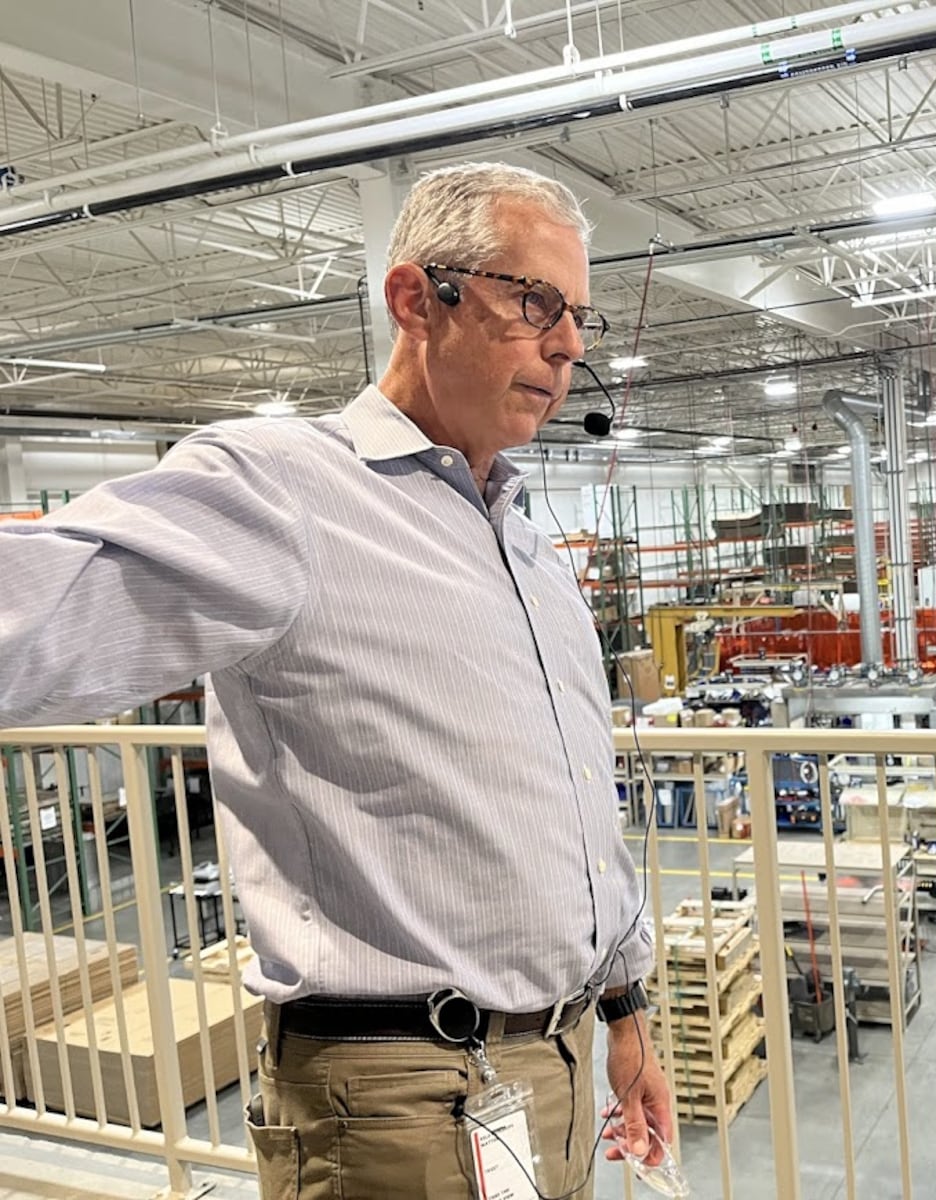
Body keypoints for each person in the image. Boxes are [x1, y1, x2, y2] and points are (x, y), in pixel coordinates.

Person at [0, 162, 671, 1199]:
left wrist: (627, 1015)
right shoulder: (283, 492)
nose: (570, 343)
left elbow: (580, 811)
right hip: (400, 1100)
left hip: (558, 1068)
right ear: (416, 299)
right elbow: (34, 613)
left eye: (575, 313)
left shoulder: (529, 549)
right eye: (533, 300)